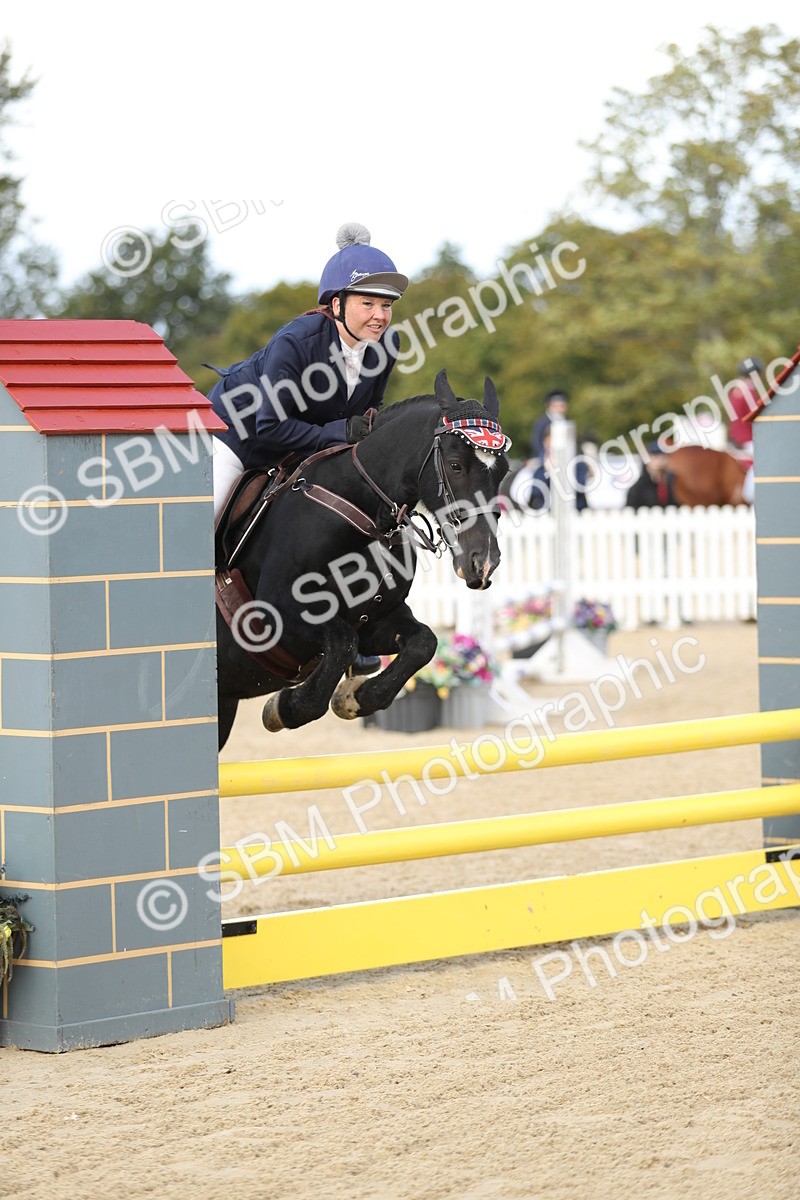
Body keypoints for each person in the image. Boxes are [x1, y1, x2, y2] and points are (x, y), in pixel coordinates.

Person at [208, 222, 409, 518]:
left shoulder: (387, 345)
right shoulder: (296, 342)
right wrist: (339, 432)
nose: (380, 316)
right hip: (235, 436)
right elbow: (270, 426)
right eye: (367, 304)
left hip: (292, 449)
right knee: (203, 520)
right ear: (338, 304)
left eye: (386, 305)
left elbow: (369, 410)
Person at [726, 357, 763, 455]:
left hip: (736, 438)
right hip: (748, 440)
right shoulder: (749, 393)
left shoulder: (734, 391)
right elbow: (756, 419)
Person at [529, 389, 569, 463]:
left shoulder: (565, 422)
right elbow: (536, 441)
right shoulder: (542, 422)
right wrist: (544, 455)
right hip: (545, 458)